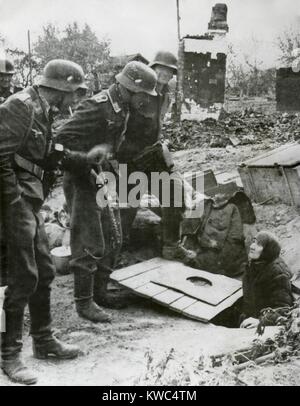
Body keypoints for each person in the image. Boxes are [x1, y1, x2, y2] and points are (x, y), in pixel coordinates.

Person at [0, 59, 104, 385]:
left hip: (27, 203)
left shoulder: (42, 109)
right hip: (12, 204)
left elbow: (48, 152)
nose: (74, 101)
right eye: (72, 94)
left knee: (44, 271)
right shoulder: (19, 107)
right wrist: (14, 208)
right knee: (23, 276)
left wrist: (84, 160)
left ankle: (43, 341)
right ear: (60, 88)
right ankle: (9, 355)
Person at [57, 61, 158, 322]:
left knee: (113, 235)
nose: (146, 101)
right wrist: (86, 160)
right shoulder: (97, 106)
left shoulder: (122, 107)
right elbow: (59, 142)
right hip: (81, 178)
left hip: (100, 176)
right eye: (143, 95)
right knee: (88, 239)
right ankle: (84, 303)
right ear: (129, 89)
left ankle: (100, 292)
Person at [117, 51, 201, 258]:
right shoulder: (139, 91)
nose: (165, 74)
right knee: (127, 206)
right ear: (152, 70)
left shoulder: (165, 95)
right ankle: (118, 251)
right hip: (130, 158)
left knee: (175, 194)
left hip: (152, 155)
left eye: (170, 71)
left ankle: (171, 246)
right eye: (161, 69)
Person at [240, 231, 294, 329]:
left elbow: (284, 309)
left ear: (268, 250)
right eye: (254, 241)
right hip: (249, 321)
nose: (252, 246)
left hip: (265, 326)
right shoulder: (254, 265)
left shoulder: (278, 273)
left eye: (259, 245)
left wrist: (261, 321)